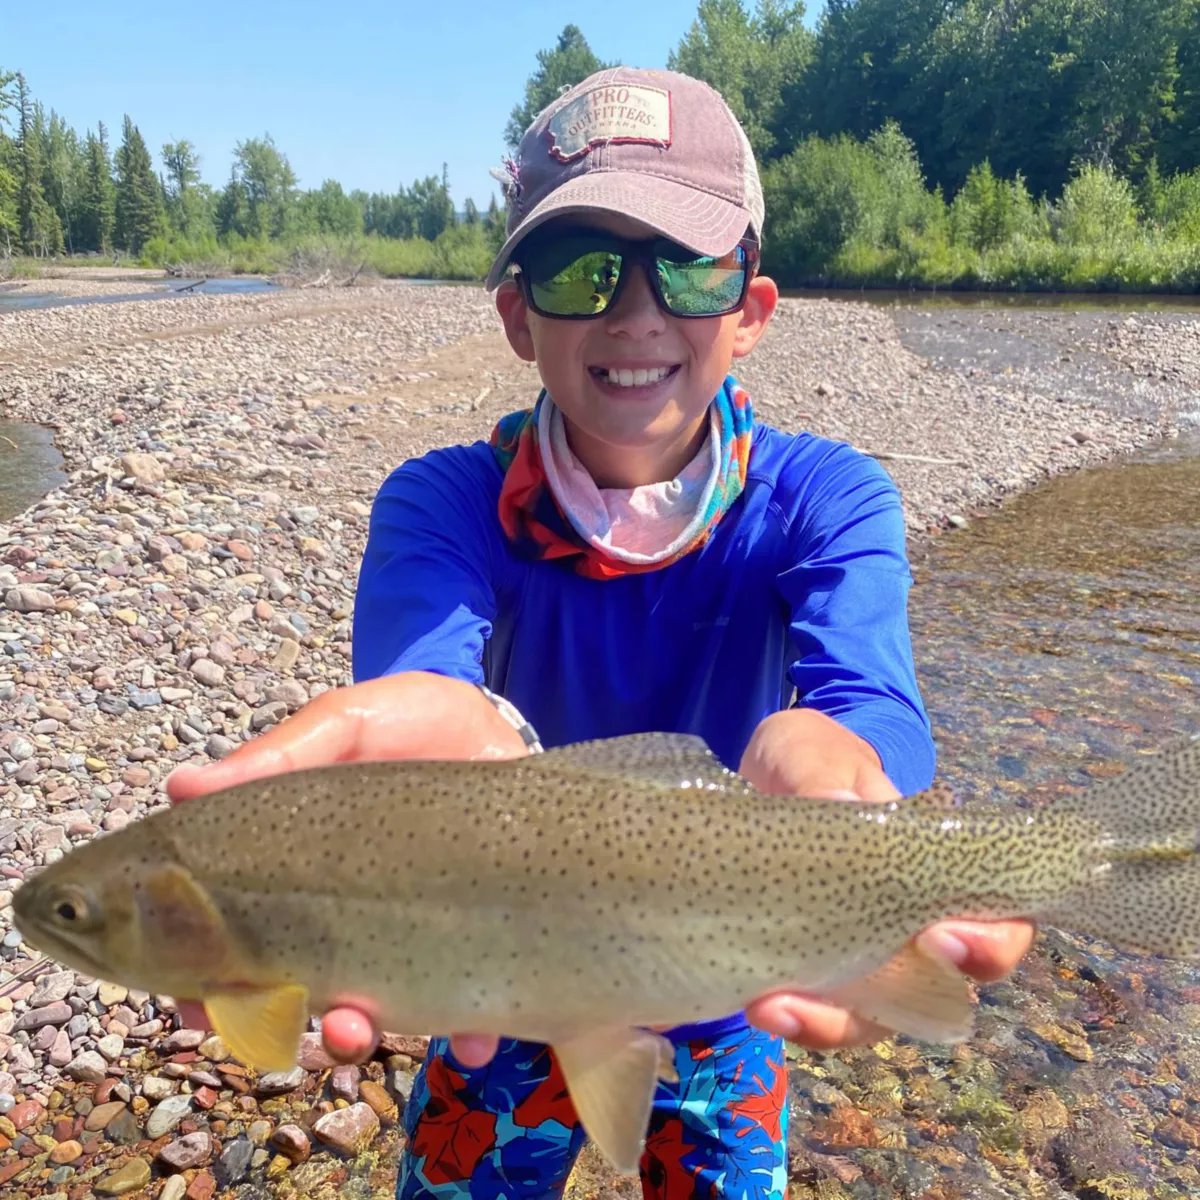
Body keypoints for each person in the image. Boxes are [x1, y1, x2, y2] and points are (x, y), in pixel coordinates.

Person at [167, 66, 1032, 1200]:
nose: (635, 310)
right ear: (520, 317)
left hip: (730, 978)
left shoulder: (831, 499)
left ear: (751, 309)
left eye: (686, 265)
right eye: (582, 269)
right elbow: (426, 681)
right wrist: (443, 731)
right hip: (492, 979)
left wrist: (833, 762)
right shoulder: (439, 505)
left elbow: (870, 702)